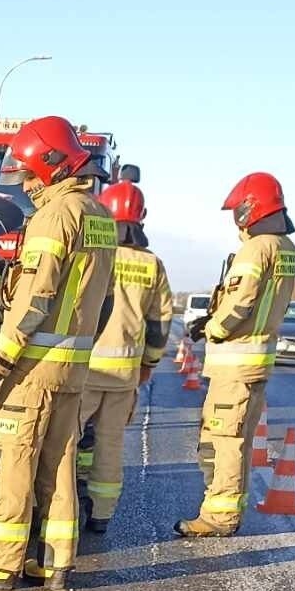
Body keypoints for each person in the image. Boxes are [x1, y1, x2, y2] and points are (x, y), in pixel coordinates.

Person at [0, 117, 115, 591]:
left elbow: (33, 299)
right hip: (72, 370)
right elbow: (103, 302)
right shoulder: (100, 217)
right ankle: (55, 562)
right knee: (57, 464)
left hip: (33, 368)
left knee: (9, 461)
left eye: (30, 175)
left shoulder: (54, 217)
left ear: (50, 166)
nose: (27, 186)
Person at [177, 171, 295, 537]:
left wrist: (213, 328)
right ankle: (230, 510)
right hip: (257, 360)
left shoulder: (257, 248)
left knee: (223, 439)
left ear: (250, 210)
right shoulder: (286, 249)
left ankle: (218, 517)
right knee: (239, 440)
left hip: (235, 363)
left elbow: (241, 300)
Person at [72, 180, 172, 535]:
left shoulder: (97, 253)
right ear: (141, 217)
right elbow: (160, 323)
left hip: (84, 368)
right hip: (126, 372)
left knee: (66, 439)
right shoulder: (153, 265)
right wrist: (149, 364)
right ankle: (101, 513)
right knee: (111, 444)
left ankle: (62, 509)